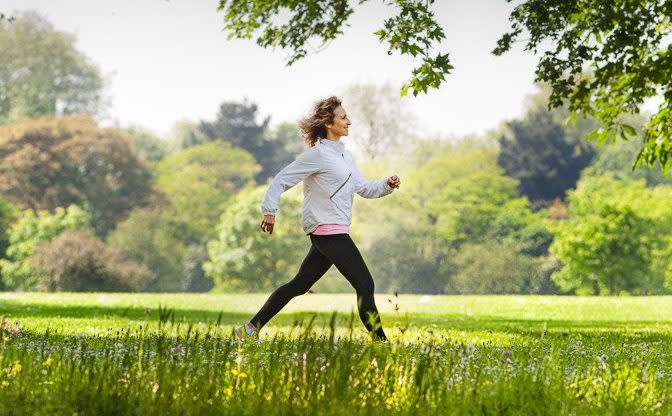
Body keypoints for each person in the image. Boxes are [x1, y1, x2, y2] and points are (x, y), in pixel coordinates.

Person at [234, 96, 401, 342]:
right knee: (365, 284)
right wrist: (269, 210)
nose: (349, 121)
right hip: (328, 231)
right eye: (343, 117)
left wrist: (386, 184)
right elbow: (281, 179)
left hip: (335, 230)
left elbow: (364, 189)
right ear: (328, 123)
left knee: (299, 285)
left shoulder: (345, 157)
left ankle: (249, 330)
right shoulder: (318, 155)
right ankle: (382, 342)